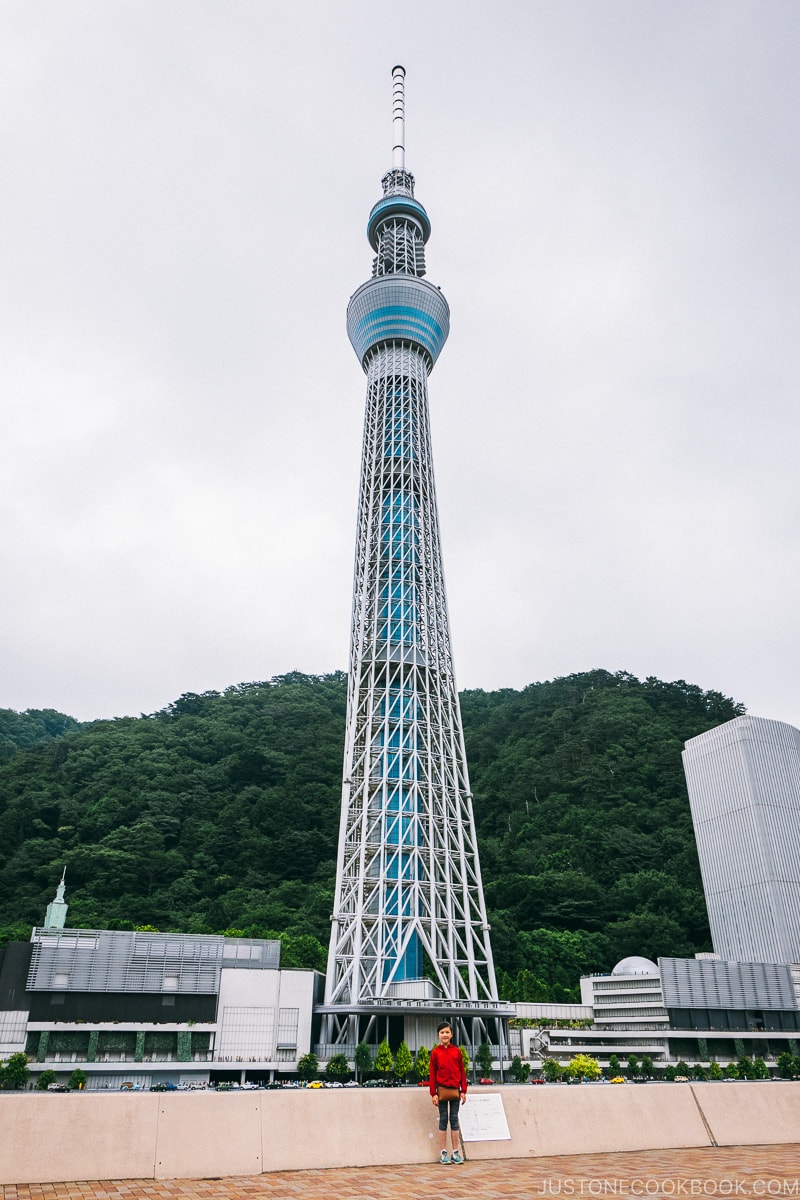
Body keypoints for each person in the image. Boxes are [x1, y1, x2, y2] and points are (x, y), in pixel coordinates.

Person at [429, 1020, 467, 1164]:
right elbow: (432, 1074)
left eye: (447, 1032)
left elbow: (462, 1072)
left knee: (454, 1121)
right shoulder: (435, 1053)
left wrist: (463, 1090)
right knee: (443, 1120)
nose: (445, 1035)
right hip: (442, 1091)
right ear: (438, 1035)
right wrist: (433, 1093)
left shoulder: (456, 1051)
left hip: (455, 1091)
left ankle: (455, 1152)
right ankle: (443, 1152)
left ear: (451, 1034)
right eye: (442, 1032)